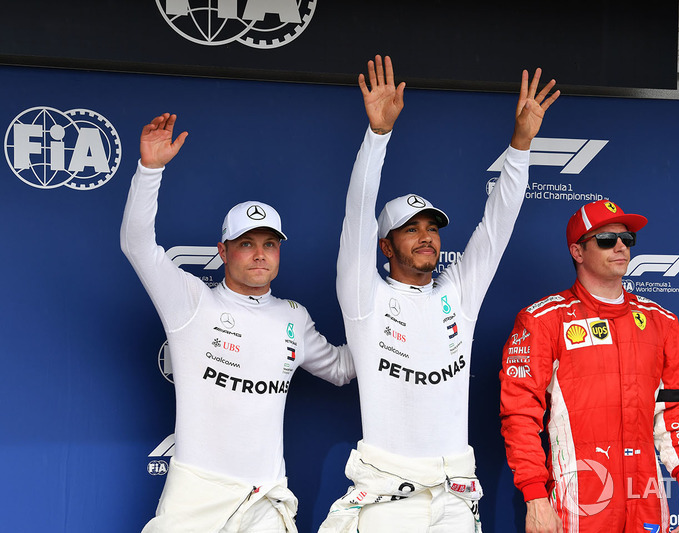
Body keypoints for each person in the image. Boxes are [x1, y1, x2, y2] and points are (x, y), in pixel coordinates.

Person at [319, 56, 559, 533]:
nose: (426, 236)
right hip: (388, 498)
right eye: (410, 230)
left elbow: (498, 224)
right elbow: (358, 211)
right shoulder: (364, 298)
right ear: (385, 245)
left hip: (453, 496)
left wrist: (521, 144)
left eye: (432, 227)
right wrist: (378, 136)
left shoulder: (458, 295)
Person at [121, 113, 355, 533]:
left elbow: (341, 369)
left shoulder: (292, 317)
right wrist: (149, 170)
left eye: (269, 244)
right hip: (196, 493)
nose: (259, 254)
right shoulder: (192, 302)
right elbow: (136, 244)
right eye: (246, 244)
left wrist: (400, 332)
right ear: (223, 251)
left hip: (265, 497)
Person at [499, 199, 679, 533]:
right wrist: (534, 495)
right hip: (580, 501)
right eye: (607, 239)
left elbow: (674, 409)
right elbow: (519, 415)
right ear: (578, 252)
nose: (621, 246)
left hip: (646, 498)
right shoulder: (542, 320)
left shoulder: (661, 321)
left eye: (627, 239)